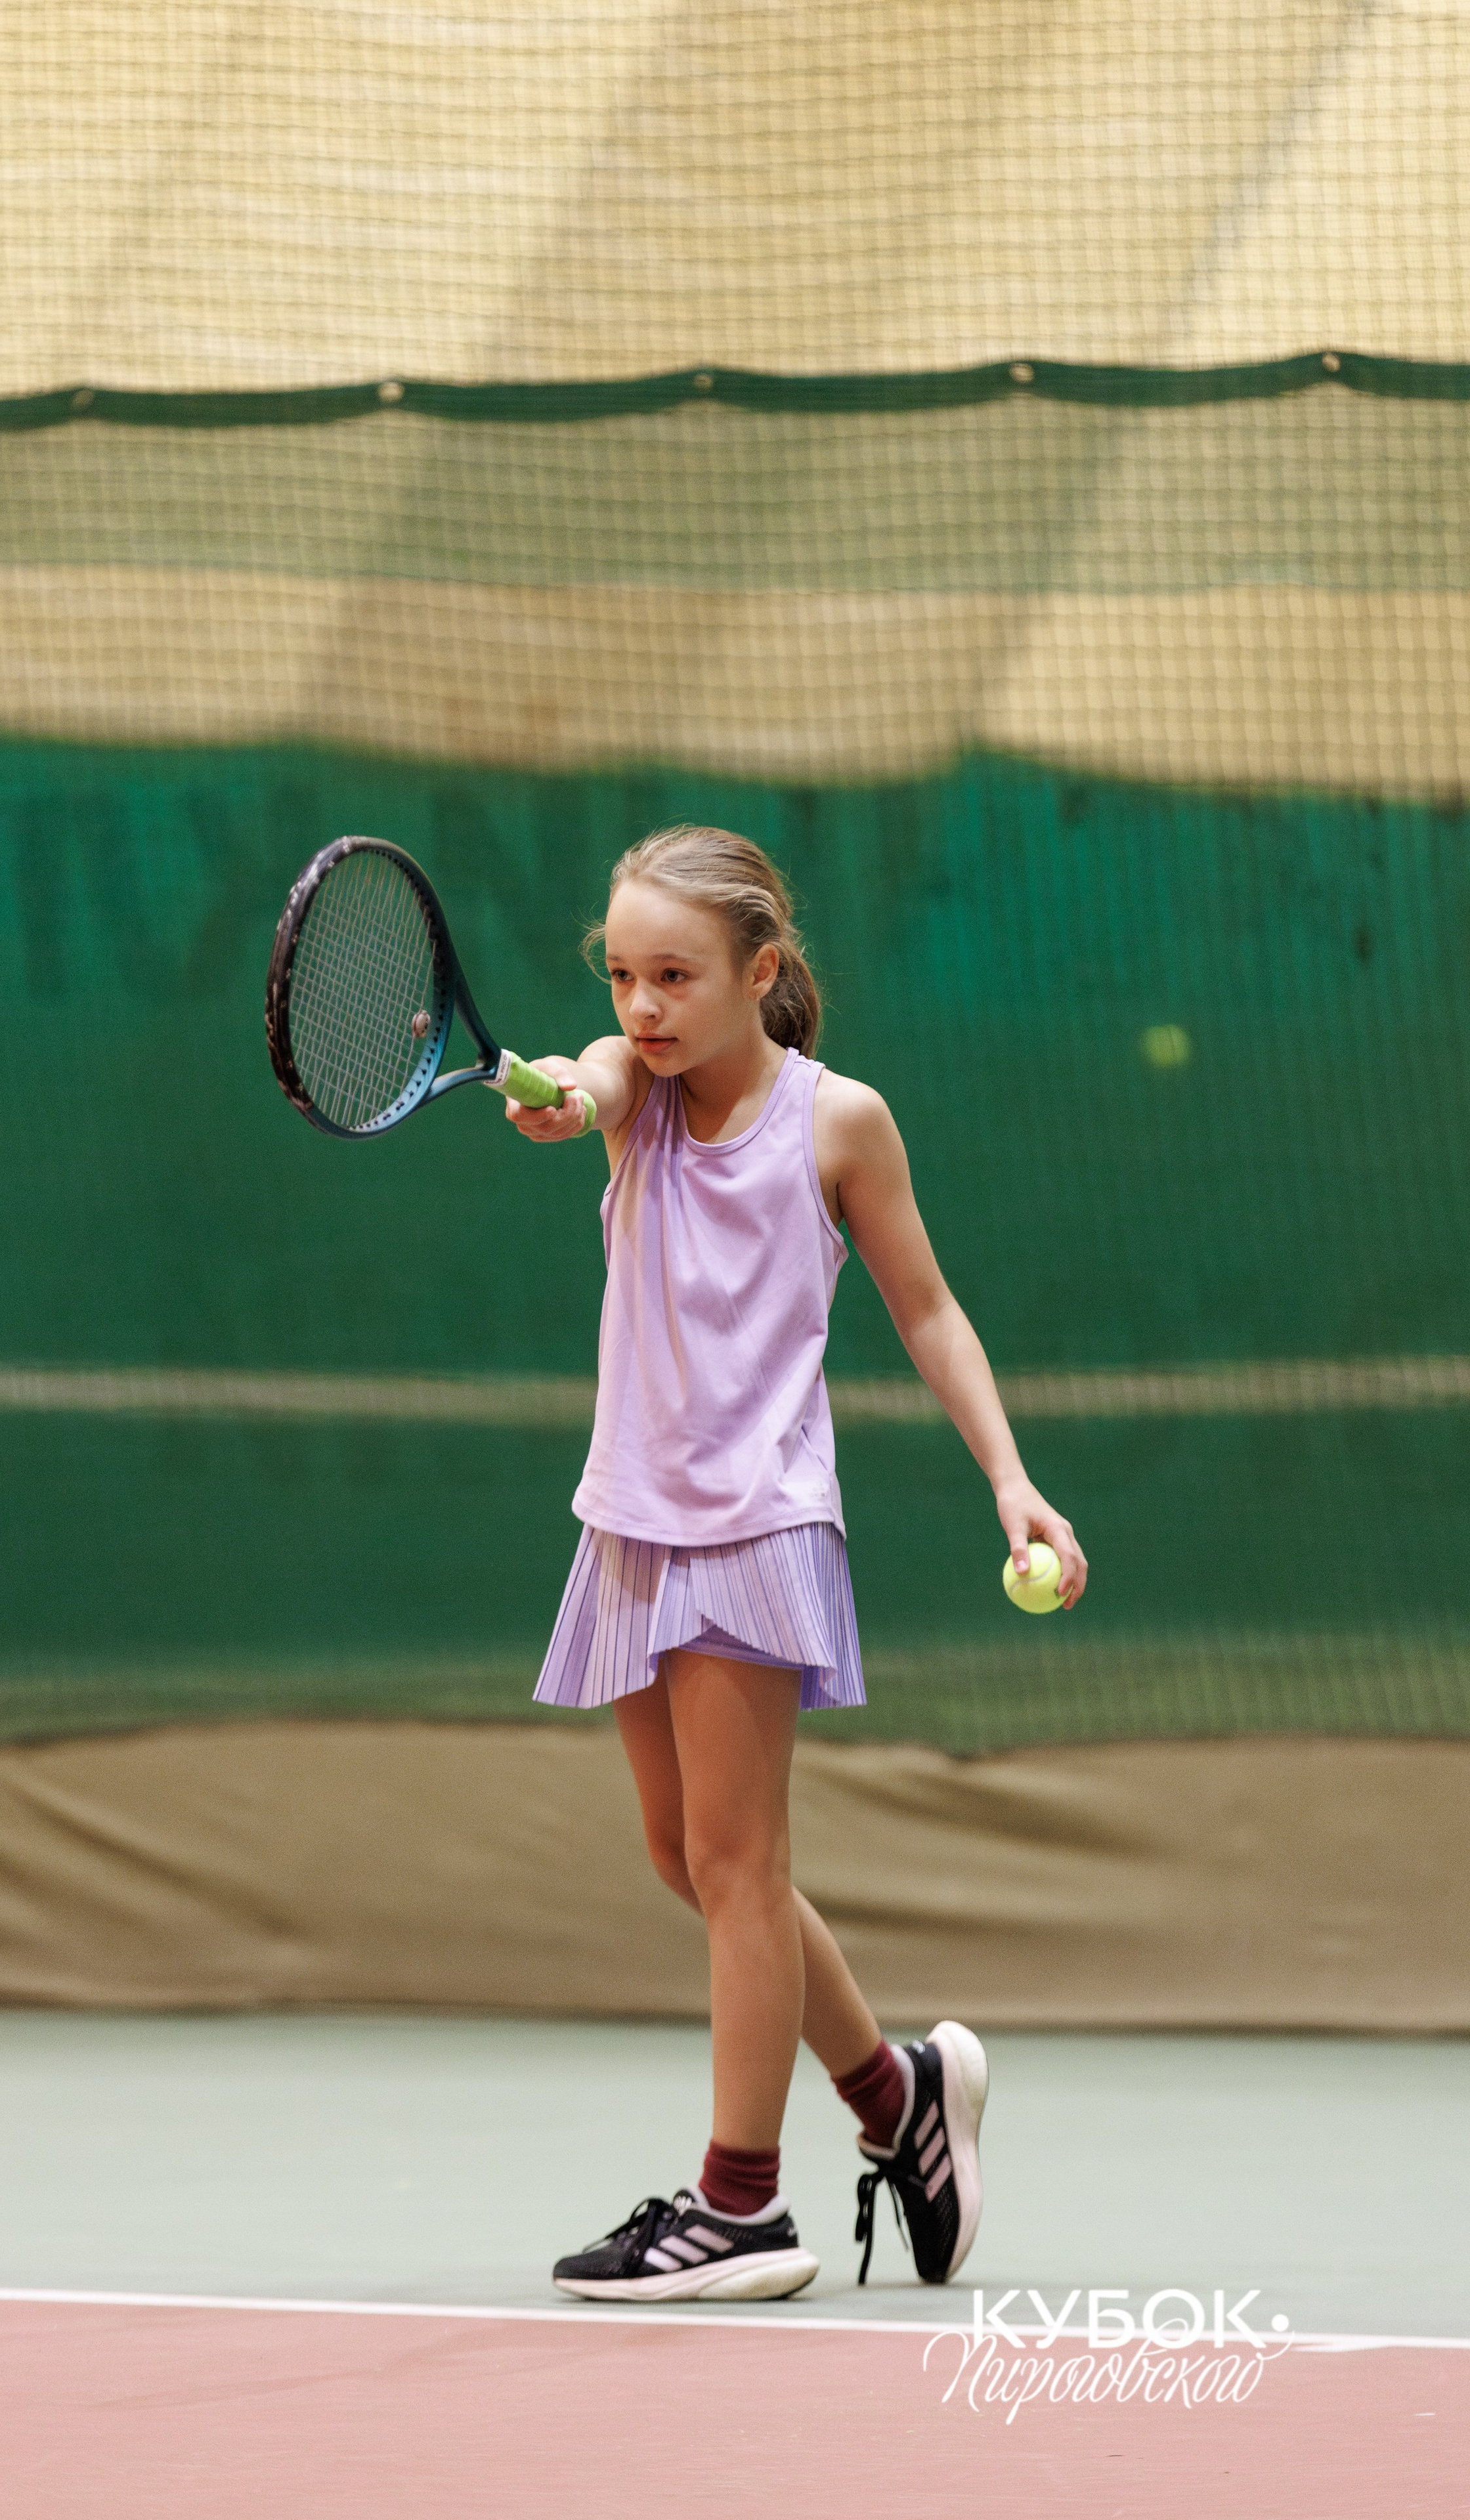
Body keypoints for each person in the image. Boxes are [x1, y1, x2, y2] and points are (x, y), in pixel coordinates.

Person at [508, 824, 1088, 2302]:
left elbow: (927, 1309)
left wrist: (1012, 1481)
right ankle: (898, 2103)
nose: (643, 1004)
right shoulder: (627, 1085)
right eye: (624, 973)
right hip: (631, 1516)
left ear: (758, 972)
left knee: (737, 1863)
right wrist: (566, 1092)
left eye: (676, 976)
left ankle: (737, 2204)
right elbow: (595, 1081)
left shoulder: (839, 1122)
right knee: (688, 1857)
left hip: (759, 1519)